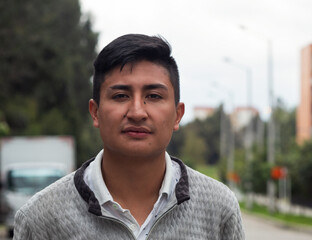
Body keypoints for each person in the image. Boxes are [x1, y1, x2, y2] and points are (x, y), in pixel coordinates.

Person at [14, 34, 245, 239]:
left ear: (177, 115)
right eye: (121, 96)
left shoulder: (218, 208)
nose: (137, 112)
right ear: (95, 112)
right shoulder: (41, 217)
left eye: (153, 96)